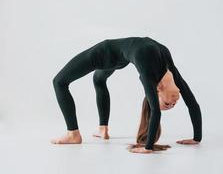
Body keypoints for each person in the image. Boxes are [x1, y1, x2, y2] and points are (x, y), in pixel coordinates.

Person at [51, 36, 202, 154]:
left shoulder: (149, 76)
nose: (174, 103)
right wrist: (197, 138)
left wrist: (148, 147)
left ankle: (73, 134)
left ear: (158, 90)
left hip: (107, 54)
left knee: (59, 82)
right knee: (98, 79)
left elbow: (155, 110)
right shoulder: (173, 74)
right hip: (115, 57)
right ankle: (103, 130)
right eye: (169, 105)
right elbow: (192, 104)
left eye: (168, 104)